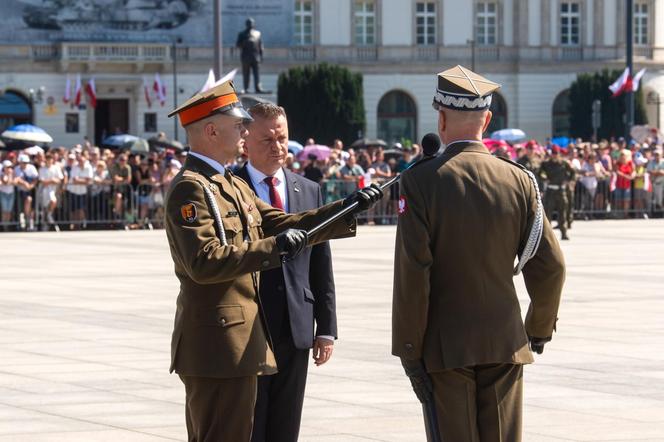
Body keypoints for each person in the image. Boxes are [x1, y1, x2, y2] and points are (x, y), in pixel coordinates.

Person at [164, 80, 383, 442]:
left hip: (239, 344)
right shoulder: (192, 187)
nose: (243, 132)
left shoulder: (228, 184)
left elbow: (283, 223)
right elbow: (204, 261)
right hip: (216, 347)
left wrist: (349, 208)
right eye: (238, 126)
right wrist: (276, 247)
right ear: (211, 130)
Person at [392, 65, 565, 442]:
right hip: (505, 341)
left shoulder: (420, 180)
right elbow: (550, 266)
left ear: (440, 118)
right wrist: (536, 329)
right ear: (486, 119)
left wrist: (409, 348)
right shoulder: (519, 179)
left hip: (444, 345)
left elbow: (414, 271)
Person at [234, 103, 337, 442]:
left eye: (282, 137)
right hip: (249, 325)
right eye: (267, 139)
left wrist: (327, 328)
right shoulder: (229, 188)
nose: (278, 146)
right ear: (245, 141)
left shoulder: (308, 190)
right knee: (250, 422)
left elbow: (321, 262)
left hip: (296, 324)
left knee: (287, 422)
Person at [539, 146, 575, 240]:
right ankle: (546, 235)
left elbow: (573, 173)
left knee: (563, 213)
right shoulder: (546, 164)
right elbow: (540, 172)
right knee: (548, 213)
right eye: (553, 153)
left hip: (561, 191)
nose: (554, 155)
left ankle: (564, 233)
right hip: (551, 190)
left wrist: (568, 181)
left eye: (556, 153)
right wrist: (544, 178)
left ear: (559, 154)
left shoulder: (564, 163)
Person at [236, 17, 264, 94]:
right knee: (246, 74)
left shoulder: (257, 33)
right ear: (246, 24)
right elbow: (238, 45)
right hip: (246, 57)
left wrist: (261, 55)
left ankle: (258, 87)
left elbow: (260, 45)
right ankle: (246, 88)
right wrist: (245, 42)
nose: (250, 25)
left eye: (251, 23)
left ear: (253, 24)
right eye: (248, 23)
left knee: (257, 74)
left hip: (255, 57)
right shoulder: (242, 34)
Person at [38, 153, 64, 230]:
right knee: (44, 208)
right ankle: (45, 225)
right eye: (47, 158)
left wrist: (51, 181)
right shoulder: (42, 169)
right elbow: (43, 181)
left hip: (53, 190)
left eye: (50, 158)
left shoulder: (56, 168)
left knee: (53, 201)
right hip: (43, 191)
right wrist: (52, 180)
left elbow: (59, 180)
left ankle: (49, 215)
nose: (49, 160)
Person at [14, 154, 38, 231]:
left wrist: (30, 186)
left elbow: (36, 179)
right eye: (23, 162)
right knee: (21, 206)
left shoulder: (32, 168)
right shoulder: (16, 169)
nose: (25, 164)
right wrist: (24, 183)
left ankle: (29, 221)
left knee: (30, 203)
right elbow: (16, 179)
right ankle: (24, 220)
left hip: (31, 190)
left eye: (26, 162)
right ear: (20, 162)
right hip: (20, 191)